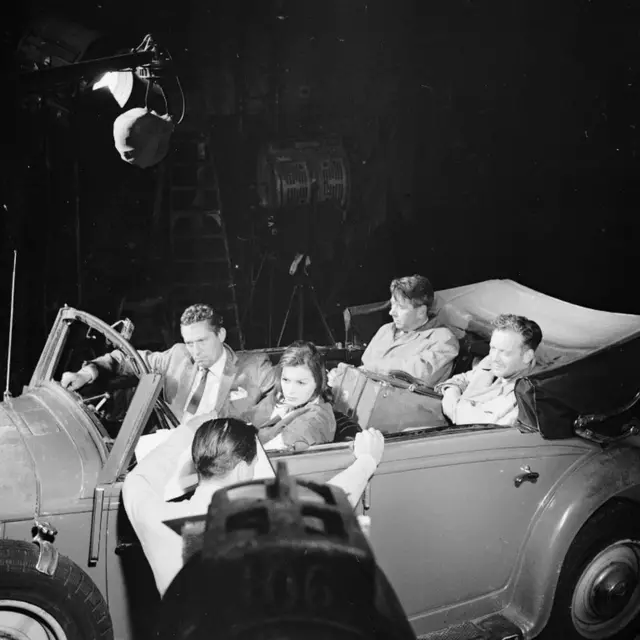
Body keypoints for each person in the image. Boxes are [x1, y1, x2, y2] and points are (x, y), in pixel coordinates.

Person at [122, 416, 385, 597]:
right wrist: (367, 461)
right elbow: (338, 497)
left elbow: (137, 479)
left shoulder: (153, 517)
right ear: (240, 470)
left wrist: (186, 432)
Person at [61, 304, 274, 422]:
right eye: (189, 342)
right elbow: (125, 359)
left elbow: (283, 401)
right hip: (172, 448)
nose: (196, 351)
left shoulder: (254, 368)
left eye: (202, 341)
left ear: (221, 335)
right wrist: (86, 373)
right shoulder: (177, 357)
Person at [329, 274, 459, 388]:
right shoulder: (385, 330)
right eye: (392, 304)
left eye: (401, 307)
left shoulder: (443, 339)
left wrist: (370, 369)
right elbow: (366, 363)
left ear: (421, 312)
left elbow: (420, 374)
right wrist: (343, 376)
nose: (392, 312)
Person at [435, 313, 542, 426]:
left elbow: (470, 422)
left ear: (527, 356)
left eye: (504, 352)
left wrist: (453, 402)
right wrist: (452, 393)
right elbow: (459, 379)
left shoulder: (524, 396)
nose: (494, 357)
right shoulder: (491, 362)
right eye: (493, 348)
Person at [246, 340, 336, 451]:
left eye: (301, 383)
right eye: (286, 380)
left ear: (318, 382)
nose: (290, 390)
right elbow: (248, 417)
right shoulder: (281, 397)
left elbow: (265, 453)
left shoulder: (316, 419)